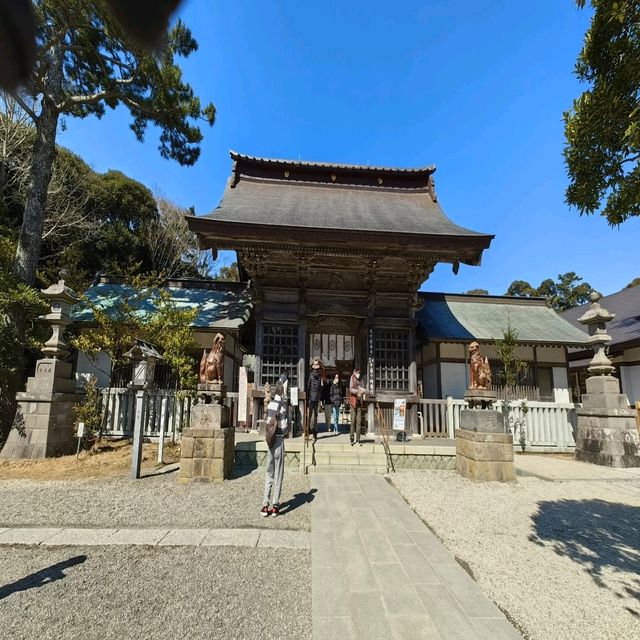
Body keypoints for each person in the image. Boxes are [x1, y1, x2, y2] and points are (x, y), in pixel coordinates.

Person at [261, 379, 289, 517]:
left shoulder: (270, 404)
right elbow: (285, 428)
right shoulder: (283, 406)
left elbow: (267, 422)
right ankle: (275, 506)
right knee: (278, 474)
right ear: (282, 391)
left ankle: (265, 505)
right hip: (279, 441)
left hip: (270, 442)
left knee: (269, 472)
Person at [307, 357, 323, 442]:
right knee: (316, 416)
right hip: (317, 397)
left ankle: (307, 432)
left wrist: (309, 395)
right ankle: (314, 434)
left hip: (311, 397)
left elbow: (308, 386)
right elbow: (320, 388)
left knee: (309, 415)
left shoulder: (310, 375)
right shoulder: (319, 376)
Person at [349, 366, 366, 446]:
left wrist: (363, 390)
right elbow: (351, 389)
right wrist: (357, 391)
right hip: (353, 402)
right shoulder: (352, 378)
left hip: (359, 403)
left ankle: (358, 439)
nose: (358, 374)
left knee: (359, 421)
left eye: (359, 372)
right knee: (353, 421)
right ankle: (352, 438)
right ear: (354, 372)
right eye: (357, 372)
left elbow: (363, 387)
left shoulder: (361, 380)